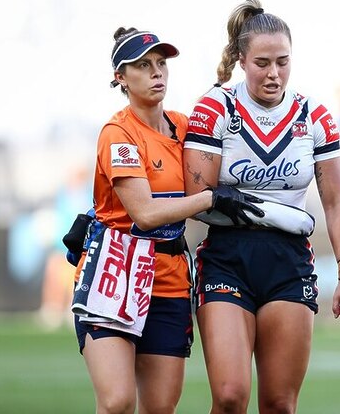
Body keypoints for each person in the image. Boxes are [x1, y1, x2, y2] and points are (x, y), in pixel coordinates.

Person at [183, 0, 340, 414]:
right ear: (241, 61)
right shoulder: (214, 108)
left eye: (283, 61)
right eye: (262, 62)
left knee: (280, 404)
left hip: (289, 262)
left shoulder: (314, 115)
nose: (274, 73)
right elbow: (197, 198)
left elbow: (336, 200)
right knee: (229, 396)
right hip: (228, 257)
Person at [71, 26, 262, 414]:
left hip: (169, 279)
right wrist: (210, 198)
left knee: (159, 408)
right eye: (143, 65)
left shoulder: (182, 125)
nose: (157, 72)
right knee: (118, 402)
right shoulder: (118, 133)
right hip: (116, 273)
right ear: (120, 78)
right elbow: (144, 213)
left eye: (161, 63)